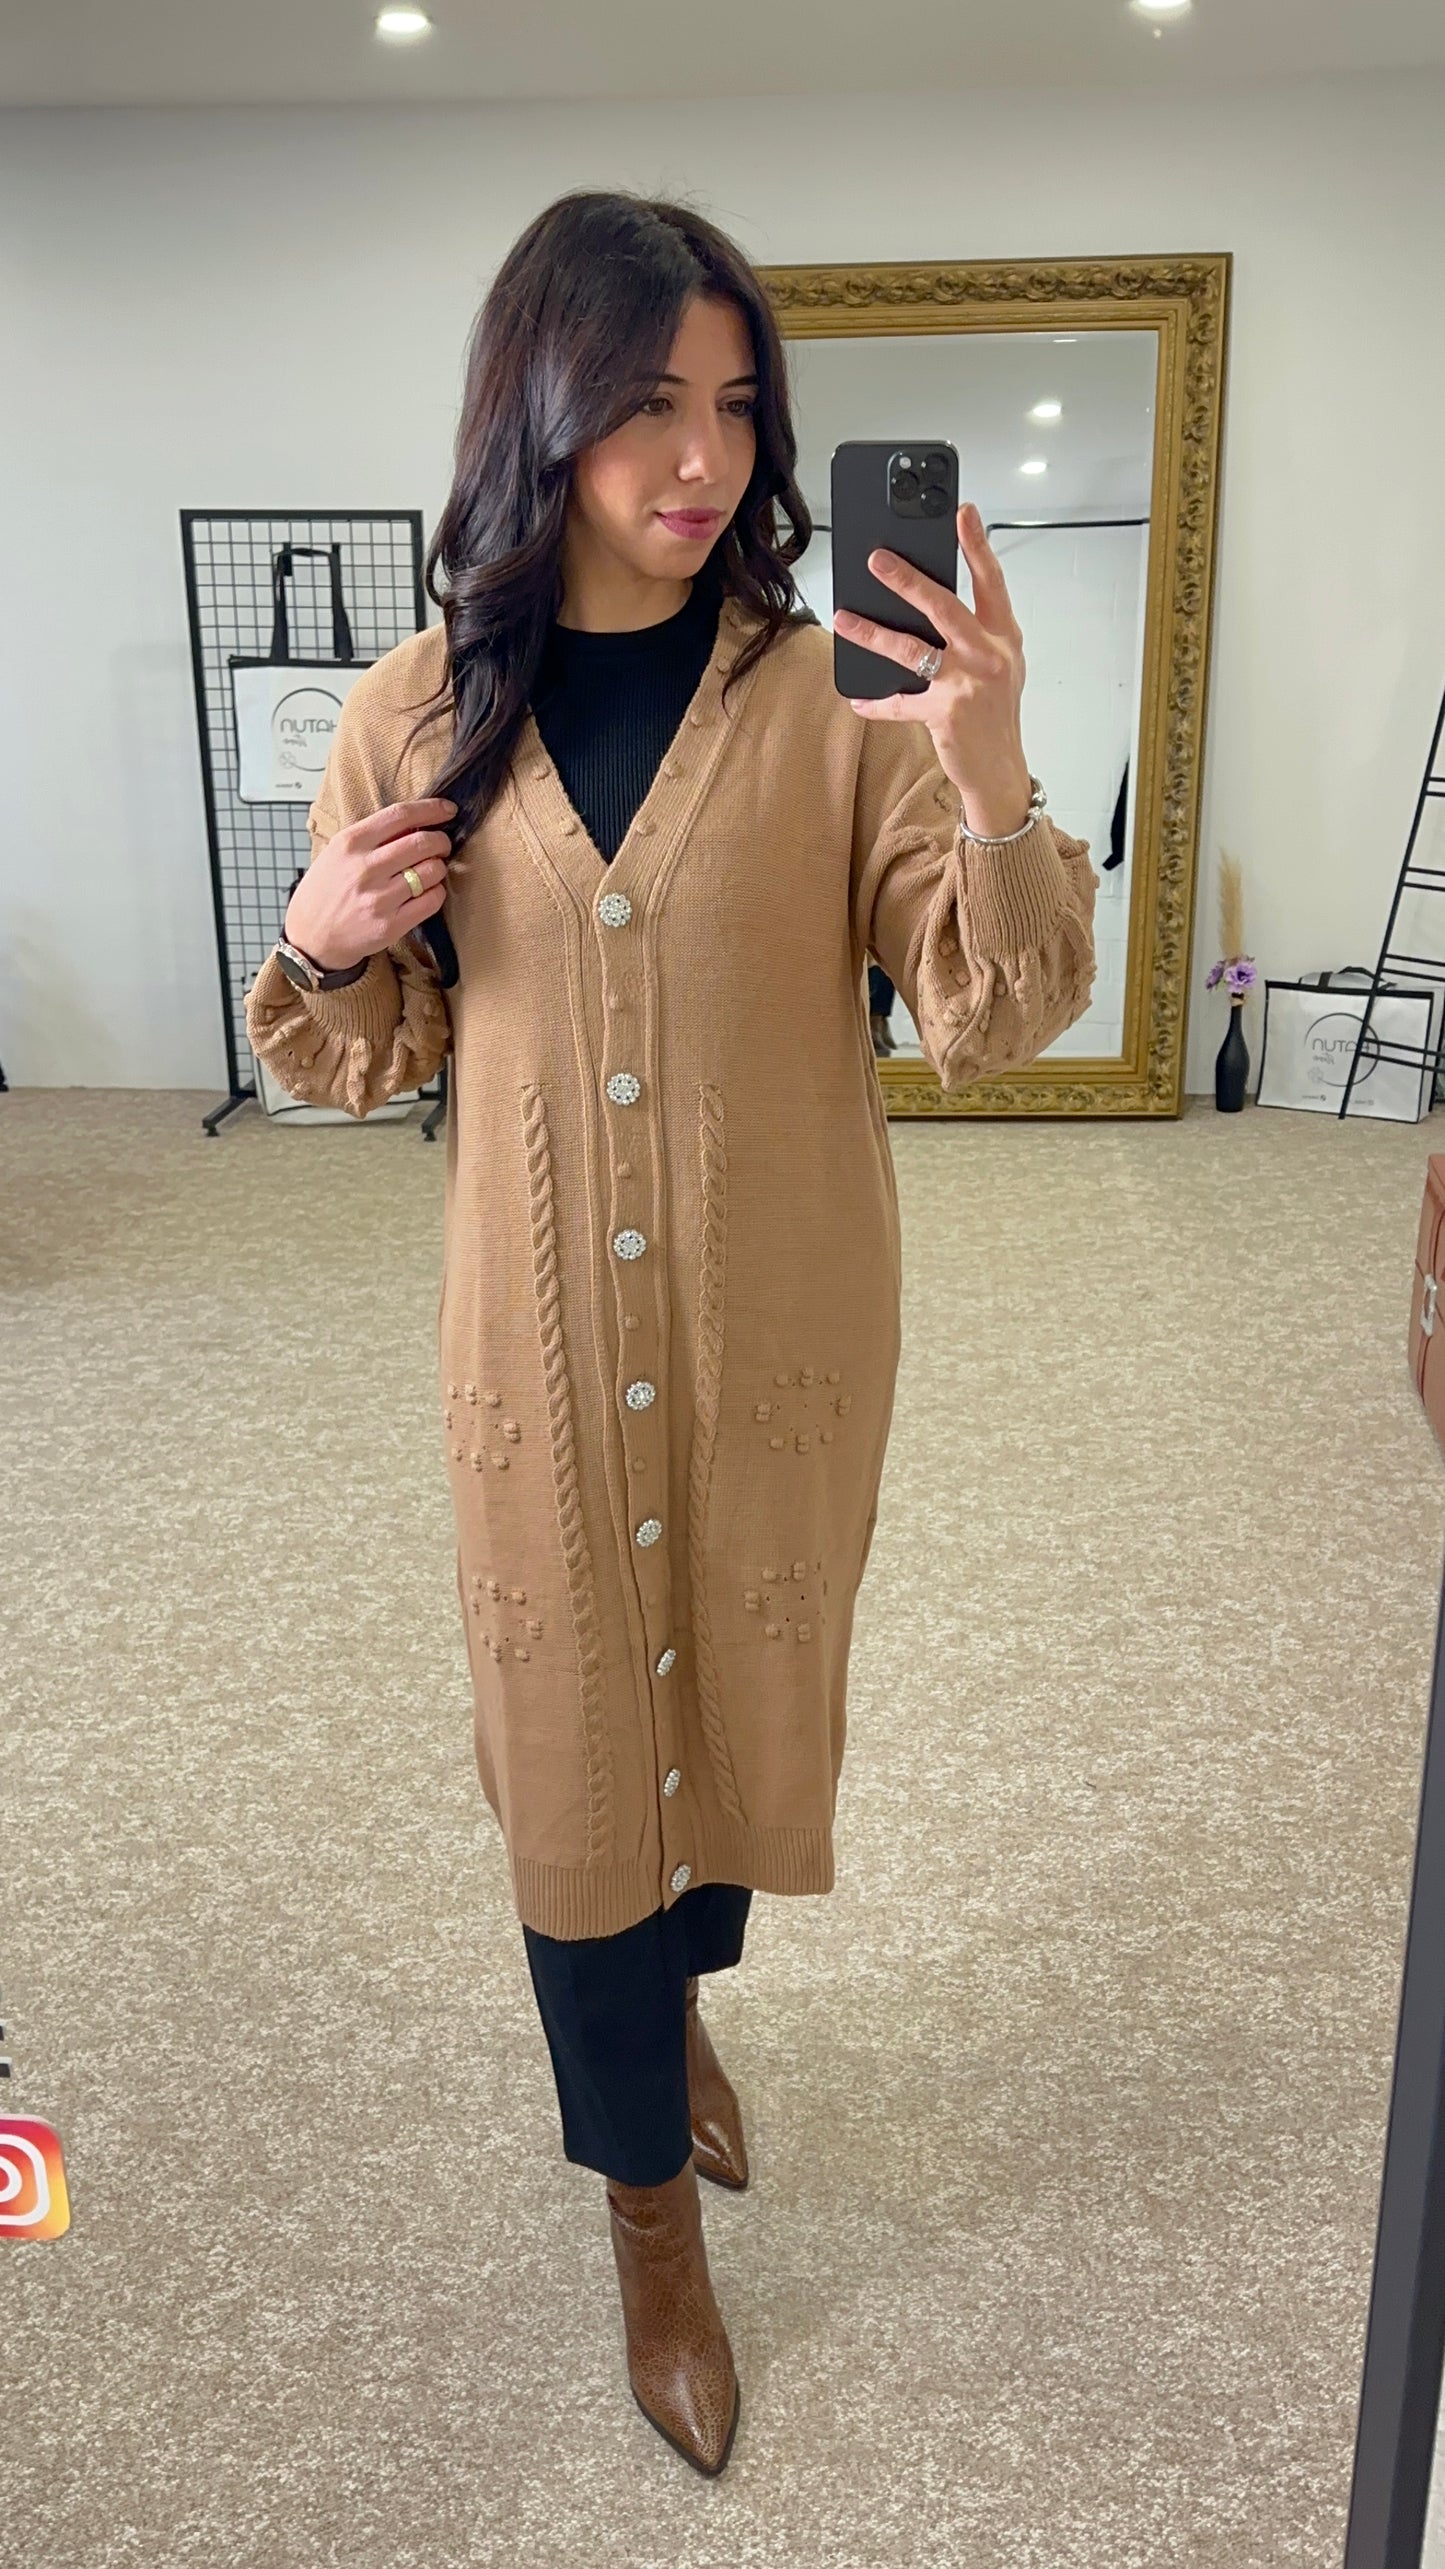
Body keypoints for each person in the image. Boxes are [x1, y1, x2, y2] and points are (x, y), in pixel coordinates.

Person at [245, 188, 1099, 2479]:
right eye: (643, 403)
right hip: (534, 1353)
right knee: (572, 1767)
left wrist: (991, 765)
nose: (700, 457)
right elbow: (358, 1056)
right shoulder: (417, 709)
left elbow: (995, 1009)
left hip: (776, 1339)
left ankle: (685, 2004)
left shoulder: (843, 704)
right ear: (538, 409)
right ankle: (648, 2216)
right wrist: (320, 936)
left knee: (728, 1701)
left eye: (735, 406)